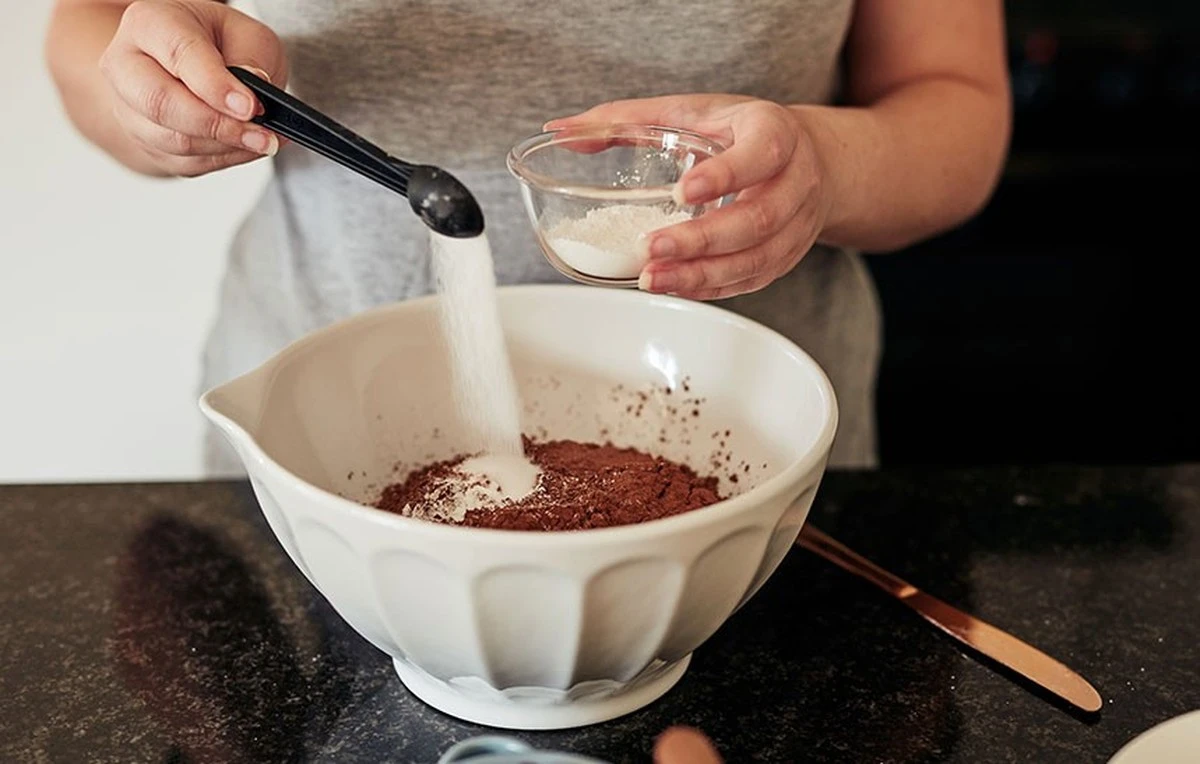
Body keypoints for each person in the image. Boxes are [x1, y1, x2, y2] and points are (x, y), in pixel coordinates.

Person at [45, 0, 1010, 474]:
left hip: (747, 453)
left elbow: (955, 103)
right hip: (327, 444)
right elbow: (89, 30)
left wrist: (829, 169)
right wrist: (152, 95)